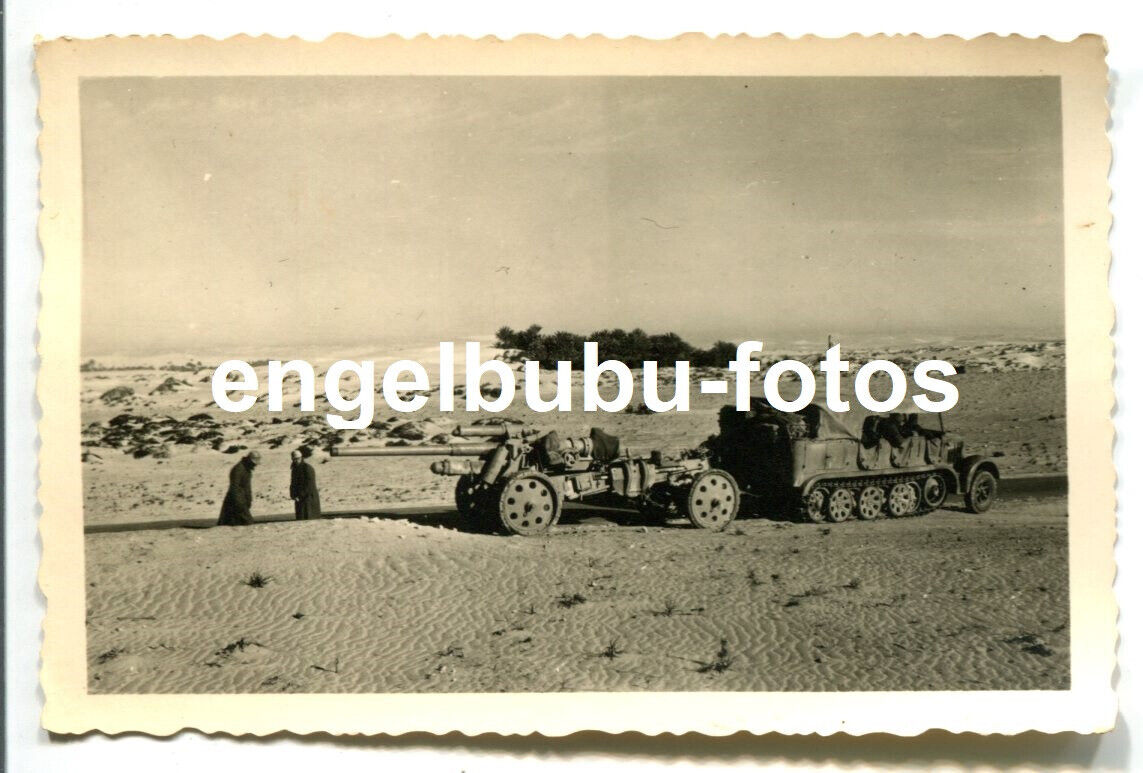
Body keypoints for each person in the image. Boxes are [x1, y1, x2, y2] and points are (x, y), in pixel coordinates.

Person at [218, 450, 261, 526]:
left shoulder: (246, 469)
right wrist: (240, 503)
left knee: (236, 524)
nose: (255, 466)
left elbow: (247, 487)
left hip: (241, 500)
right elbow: (234, 488)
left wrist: (248, 499)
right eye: (254, 464)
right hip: (235, 501)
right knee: (246, 523)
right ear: (249, 461)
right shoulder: (239, 469)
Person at [289, 449, 322, 520]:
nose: (295, 461)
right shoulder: (294, 469)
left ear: (301, 458)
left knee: (309, 520)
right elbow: (293, 483)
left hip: (309, 498)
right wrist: (293, 495)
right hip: (299, 499)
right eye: (294, 459)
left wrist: (300, 495)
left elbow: (309, 485)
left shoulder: (307, 468)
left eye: (297, 459)